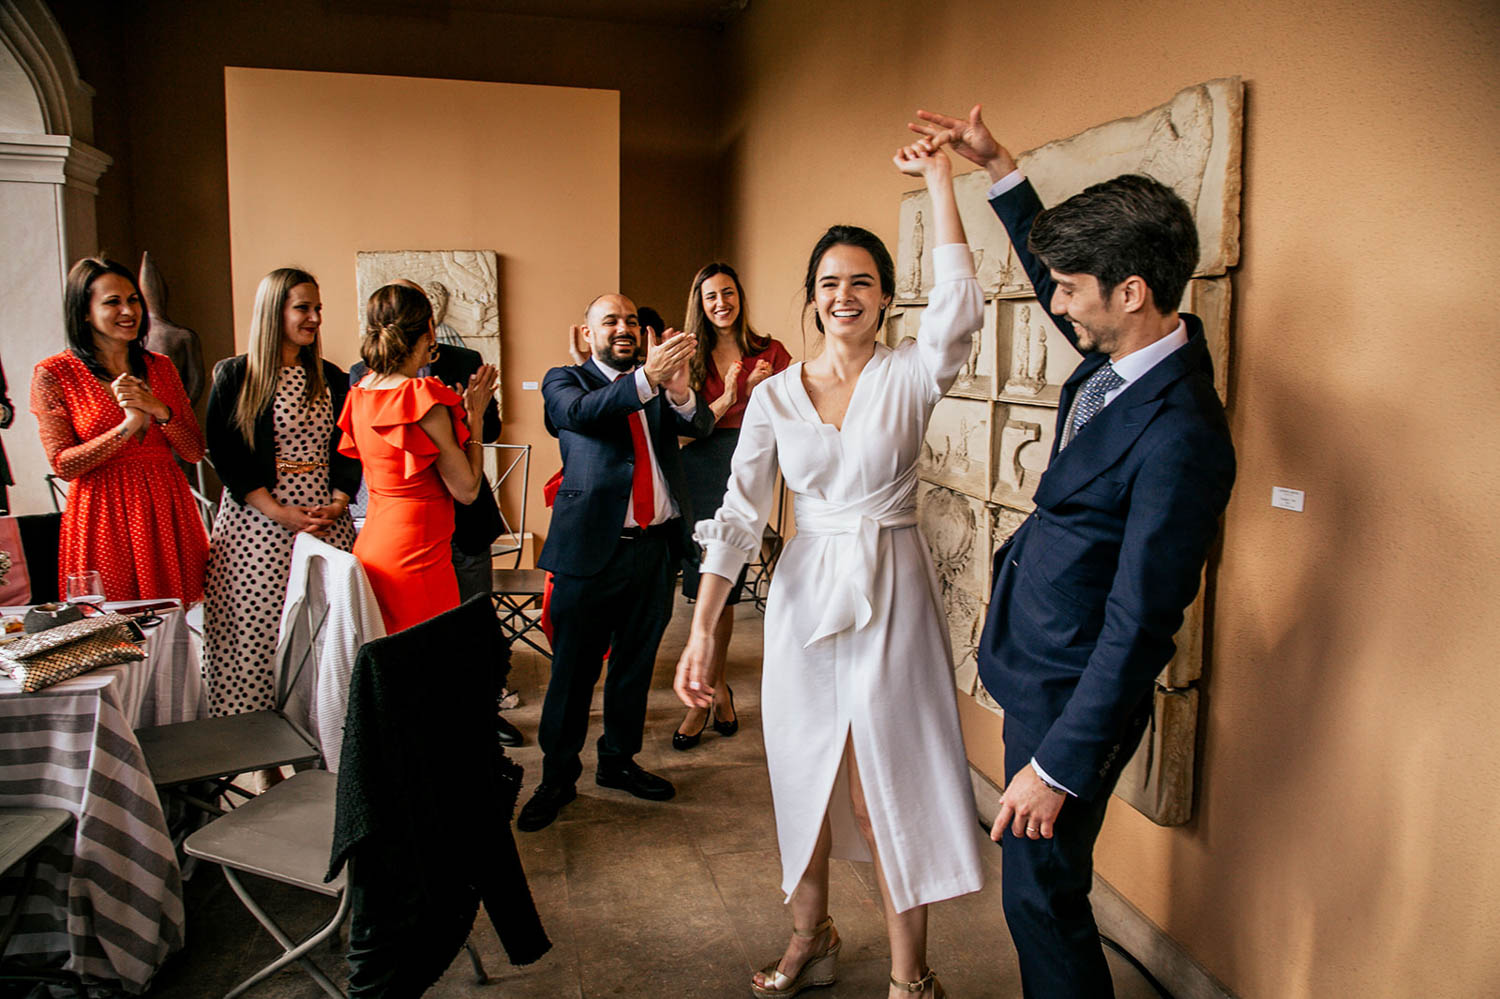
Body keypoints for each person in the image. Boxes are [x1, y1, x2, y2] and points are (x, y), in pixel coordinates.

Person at [910, 105, 1236, 998]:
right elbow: (1057, 276)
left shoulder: (1184, 436)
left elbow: (1140, 622)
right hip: (1041, 663)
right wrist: (999, 168)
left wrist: (1056, 767)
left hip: (1071, 699)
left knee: (1041, 899)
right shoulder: (1121, 357)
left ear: (1131, 290)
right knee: (1038, 895)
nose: (1054, 303)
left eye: (1068, 288)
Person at [674, 140, 984, 999]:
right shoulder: (774, 394)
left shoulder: (912, 374)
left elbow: (960, 308)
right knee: (802, 770)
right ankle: (811, 932)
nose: (843, 296)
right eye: (828, 283)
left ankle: (909, 975)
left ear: (885, 296)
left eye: (861, 281)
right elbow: (739, 513)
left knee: (891, 782)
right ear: (811, 300)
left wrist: (938, 181)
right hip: (806, 592)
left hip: (893, 588)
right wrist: (703, 629)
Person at [516, 294, 714, 833]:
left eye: (631, 320)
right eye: (612, 321)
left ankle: (618, 762)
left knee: (634, 666)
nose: (624, 328)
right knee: (572, 674)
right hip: (590, 554)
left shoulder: (654, 384)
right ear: (587, 333)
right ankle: (557, 778)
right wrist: (650, 378)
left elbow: (699, 426)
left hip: (654, 549)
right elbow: (579, 416)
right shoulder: (566, 382)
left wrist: (679, 391)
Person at [202, 268, 359, 716]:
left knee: (324, 636)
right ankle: (260, 755)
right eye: (302, 308)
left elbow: (349, 450)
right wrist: (277, 510)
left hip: (326, 520)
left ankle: (323, 736)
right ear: (274, 312)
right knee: (255, 634)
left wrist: (338, 501)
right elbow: (226, 453)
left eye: (318, 309)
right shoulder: (236, 375)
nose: (314, 318)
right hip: (257, 525)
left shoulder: (331, 377)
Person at [31, 258, 208, 604]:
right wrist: (128, 426)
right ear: (84, 312)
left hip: (167, 510)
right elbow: (64, 465)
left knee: (180, 626)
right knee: (113, 626)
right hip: (102, 516)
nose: (129, 310)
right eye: (113, 302)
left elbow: (193, 451)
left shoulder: (161, 366)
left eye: (134, 299)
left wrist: (159, 410)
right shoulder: (55, 373)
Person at [672, 263, 791, 751]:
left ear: (740, 295)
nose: (721, 302)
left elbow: (795, 416)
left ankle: (705, 696)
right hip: (700, 466)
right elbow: (682, 428)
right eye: (710, 297)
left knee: (730, 583)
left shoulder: (772, 351)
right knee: (706, 581)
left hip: (751, 465)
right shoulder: (688, 354)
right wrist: (736, 392)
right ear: (699, 304)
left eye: (728, 293)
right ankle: (714, 691)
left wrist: (764, 394)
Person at [337, 283, 497, 633]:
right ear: (428, 329)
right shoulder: (419, 397)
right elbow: (467, 490)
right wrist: (476, 418)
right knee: (427, 665)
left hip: (374, 546)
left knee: (391, 660)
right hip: (418, 555)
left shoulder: (360, 392)